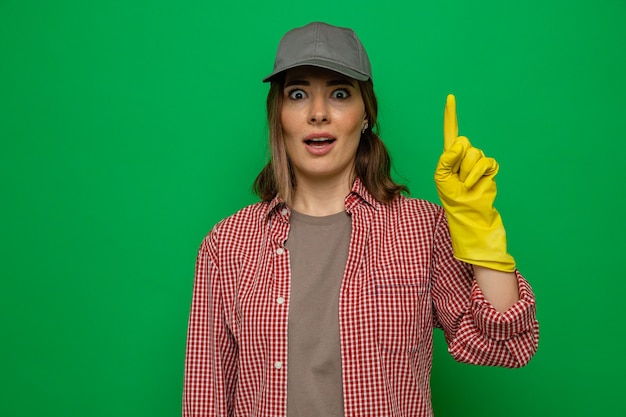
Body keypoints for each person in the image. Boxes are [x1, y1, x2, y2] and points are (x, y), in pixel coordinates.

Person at [183, 22, 538, 417]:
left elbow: (506, 346)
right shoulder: (227, 243)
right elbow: (206, 398)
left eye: (339, 93)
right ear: (278, 115)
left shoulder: (422, 228)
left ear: (365, 114)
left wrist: (481, 234)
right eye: (297, 94)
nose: (318, 114)